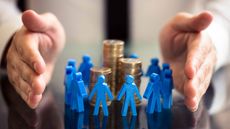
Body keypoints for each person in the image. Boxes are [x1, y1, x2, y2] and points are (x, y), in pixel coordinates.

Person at [0, 0, 229, 114]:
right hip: (58, 86)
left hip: (170, 73)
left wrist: (213, 36)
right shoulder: (85, 77)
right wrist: (12, 34)